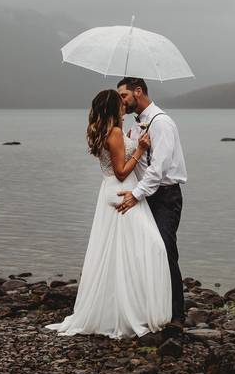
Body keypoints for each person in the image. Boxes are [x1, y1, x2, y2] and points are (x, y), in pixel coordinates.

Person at [45, 89, 172, 338]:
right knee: (153, 246)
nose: (124, 105)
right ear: (114, 108)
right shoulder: (113, 133)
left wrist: (133, 139)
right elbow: (121, 171)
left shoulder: (112, 132)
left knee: (121, 251)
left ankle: (125, 306)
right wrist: (140, 148)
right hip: (121, 192)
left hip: (113, 190)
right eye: (120, 103)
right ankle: (130, 311)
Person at [114, 77, 187, 324]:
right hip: (145, 195)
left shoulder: (162, 123)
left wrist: (135, 195)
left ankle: (176, 316)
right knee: (143, 252)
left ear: (138, 91)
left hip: (165, 196)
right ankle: (151, 309)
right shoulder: (135, 127)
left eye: (123, 96)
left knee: (165, 251)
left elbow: (158, 169)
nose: (121, 101)